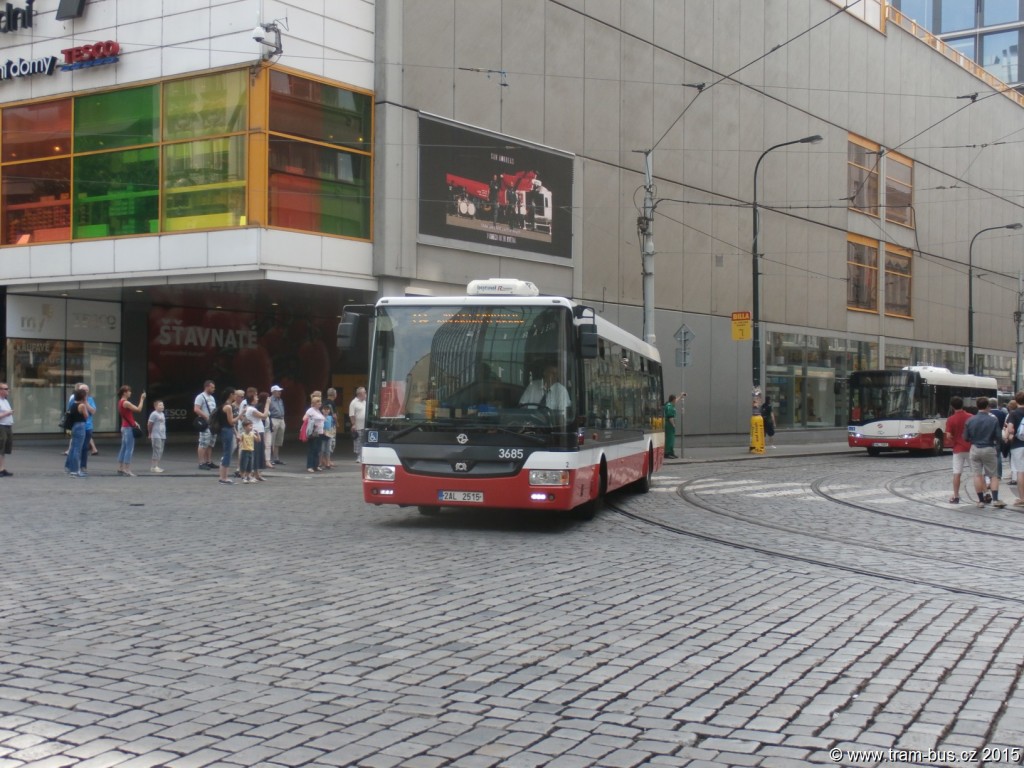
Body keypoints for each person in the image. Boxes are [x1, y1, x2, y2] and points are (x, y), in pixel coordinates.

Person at [964, 396, 1006, 508]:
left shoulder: (970, 420)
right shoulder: (993, 420)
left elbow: (965, 437)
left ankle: (981, 501)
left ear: (977, 406)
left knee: (977, 475)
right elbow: (998, 436)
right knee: (993, 475)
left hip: (975, 448)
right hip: (988, 448)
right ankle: (995, 500)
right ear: (988, 406)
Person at [946, 395, 971, 504]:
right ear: (962, 404)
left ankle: (956, 496)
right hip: (970, 447)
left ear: (952, 406)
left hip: (958, 449)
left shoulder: (951, 419)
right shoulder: (970, 416)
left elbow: (948, 436)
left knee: (957, 473)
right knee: (977, 473)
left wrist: (955, 438)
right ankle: (984, 494)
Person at [116, 384, 145, 477]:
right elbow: (138, 409)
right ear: (125, 392)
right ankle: (127, 469)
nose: (130, 393)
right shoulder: (126, 403)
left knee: (123, 447)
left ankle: (120, 467)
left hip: (124, 426)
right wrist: (142, 399)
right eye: (129, 391)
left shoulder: (120, 402)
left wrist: (134, 421)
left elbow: (126, 415)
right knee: (129, 448)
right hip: (128, 428)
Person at [243, 392, 270, 481]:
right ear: (252, 399)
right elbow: (264, 416)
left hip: (258, 431)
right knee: (254, 454)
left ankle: (256, 473)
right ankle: (250, 474)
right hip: (255, 432)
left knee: (258, 453)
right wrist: (267, 404)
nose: (257, 399)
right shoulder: (251, 409)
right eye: (256, 397)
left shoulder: (252, 408)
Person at [63, 389, 90, 478]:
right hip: (80, 426)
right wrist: (86, 404)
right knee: (77, 449)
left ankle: (70, 467)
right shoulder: (82, 405)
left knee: (73, 447)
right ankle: (75, 471)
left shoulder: (73, 404)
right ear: (83, 397)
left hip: (74, 426)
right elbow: (86, 416)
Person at [1004, 391, 1024, 504]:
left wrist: (1009, 436)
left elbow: (1010, 429)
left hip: (1017, 445)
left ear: (1016, 401)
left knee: (1021, 472)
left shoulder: (1014, 413)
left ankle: (1022, 498)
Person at [216, 388, 238, 485]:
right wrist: (240, 415)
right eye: (235, 394)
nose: (236, 396)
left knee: (227, 453)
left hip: (227, 430)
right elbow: (231, 421)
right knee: (227, 453)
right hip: (227, 430)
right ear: (231, 395)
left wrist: (236, 433)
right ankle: (223, 477)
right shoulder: (228, 407)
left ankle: (224, 477)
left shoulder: (226, 406)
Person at [194, 380, 217, 470]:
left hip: (212, 423)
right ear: (207, 387)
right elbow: (196, 409)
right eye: (212, 387)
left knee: (210, 443)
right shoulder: (200, 397)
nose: (213, 389)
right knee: (203, 442)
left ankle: (208, 461)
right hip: (205, 423)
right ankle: (201, 462)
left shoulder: (212, 398)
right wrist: (206, 417)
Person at [305, 394, 327, 472]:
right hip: (314, 433)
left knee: (317, 449)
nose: (320, 403)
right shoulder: (310, 410)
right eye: (318, 402)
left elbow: (323, 420)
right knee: (312, 449)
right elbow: (305, 418)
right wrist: (312, 423)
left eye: (320, 402)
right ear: (314, 403)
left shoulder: (318, 411)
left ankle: (315, 465)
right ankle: (310, 466)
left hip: (320, 433)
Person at [148, 399, 167, 473]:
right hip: (156, 435)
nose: (162, 406)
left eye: (162, 405)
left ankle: (157, 465)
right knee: (156, 450)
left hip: (162, 435)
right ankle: (153, 466)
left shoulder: (162, 414)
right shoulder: (154, 414)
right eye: (160, 405)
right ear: (155, 407)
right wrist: (150, 433)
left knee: (160, 451)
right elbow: (149, 424)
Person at [269, 384, 286, 465]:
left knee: (278, 440)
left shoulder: (280, 400)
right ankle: (269, 458)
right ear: (273, 392)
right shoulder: (269, 400)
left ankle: (276, 458)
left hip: (281, 419)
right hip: (274, 419)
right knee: (271, 440)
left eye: (280, 391)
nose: (279, 392)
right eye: (278, 391)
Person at [349, 386, 367, 462]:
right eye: (364, 392)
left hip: (365, 426)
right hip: (358, 426)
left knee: (364, 441)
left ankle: (363, 455)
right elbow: (351, 414)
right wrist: (353, 424)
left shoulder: (365, 401)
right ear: (360, 394)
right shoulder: (354, 403)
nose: (366, 394)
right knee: (358, 441)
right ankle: (358, 456)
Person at [0, 382, 11, 477]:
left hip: (7, 426)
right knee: (0, 448)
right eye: (6, 389)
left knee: (4, 449)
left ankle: (2, 468)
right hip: (1, 426)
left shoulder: (5, 400)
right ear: (0, 391)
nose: (8, 390)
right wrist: (7, 414)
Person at [321, 403, 336, 469]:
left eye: (327, 410)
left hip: (329, 435)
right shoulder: (320, 417)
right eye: (325, 409)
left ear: (329, 410)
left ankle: (327, 462)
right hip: (322, 435)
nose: (326, 411)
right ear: (322, 410)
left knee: (328, 450)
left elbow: (333, 425)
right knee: (322, 449)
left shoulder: (331, 417)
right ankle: (320, 462)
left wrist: (335, 418)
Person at [664, 394, 679, 459]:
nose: (676, 400)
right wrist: (673, 424)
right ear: (673, 400)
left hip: (670, 424)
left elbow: (676, 401)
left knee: (671, 439)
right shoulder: (669, 406)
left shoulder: (670, 404)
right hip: (669, 424)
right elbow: (670, 417)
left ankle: (671, 452)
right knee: (669, 439)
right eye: (675, 399)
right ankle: (667, 453)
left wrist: (680, 396)